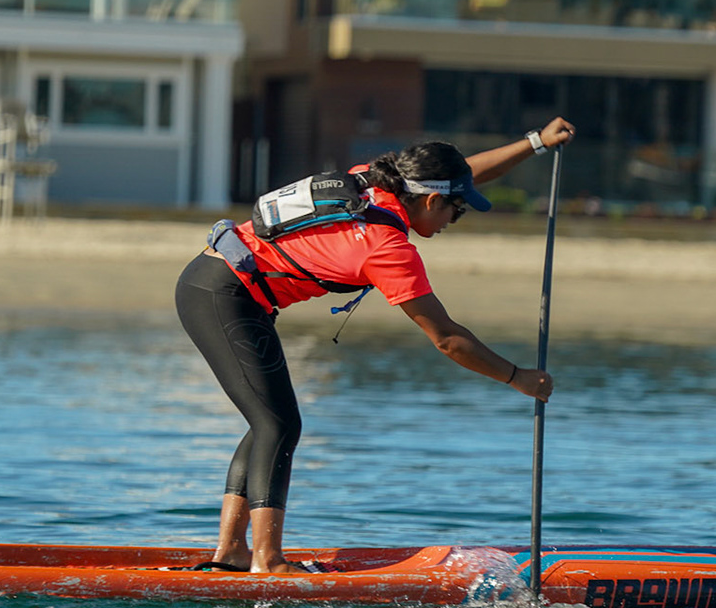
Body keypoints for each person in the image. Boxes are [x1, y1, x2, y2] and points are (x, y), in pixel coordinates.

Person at [174, 119, 576, 573]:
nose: (453, 221)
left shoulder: (374, 180)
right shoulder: (387, 248)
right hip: (224, 296)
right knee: (277, 424)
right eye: (455, 210)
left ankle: (232, 551)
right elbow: (446, 339)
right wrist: (516, 377)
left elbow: (465, 172)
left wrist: (534, 143)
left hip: (214, 285)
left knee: (271, 420)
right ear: (430, 200)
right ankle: (267, 560)